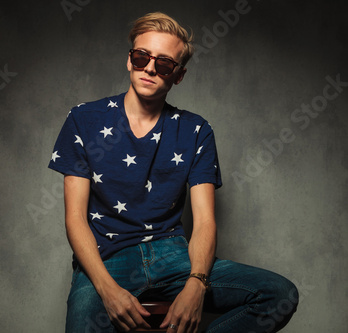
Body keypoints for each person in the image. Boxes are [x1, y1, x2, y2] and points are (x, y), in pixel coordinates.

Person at [48, 12, 298, 333]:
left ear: (178, 75)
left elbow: (205, 220)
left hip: (172, 255)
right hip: (105, 256)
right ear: (129, 60)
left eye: (164, 63)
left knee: (278, 294)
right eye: (141, 57)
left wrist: (196, 284)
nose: (150, 68)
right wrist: (107, 290)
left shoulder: (196, 131)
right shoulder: (84, 119)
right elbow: (75, 219)